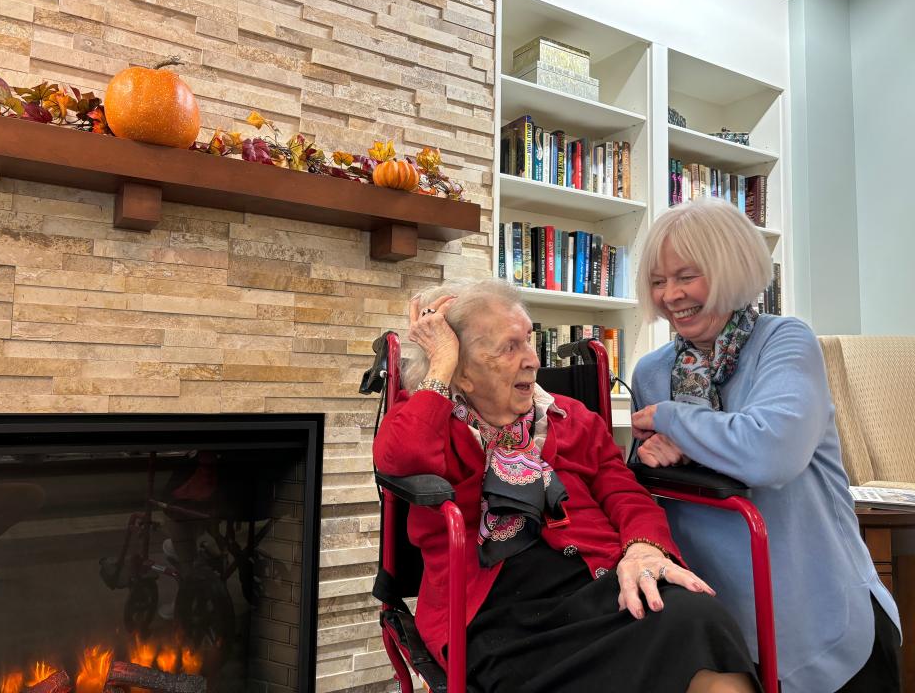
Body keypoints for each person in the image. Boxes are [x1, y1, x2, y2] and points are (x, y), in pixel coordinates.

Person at [374, 278, 761, 693]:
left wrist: (644, 545)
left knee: (697, 618)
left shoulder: (568, 417)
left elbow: (623, 490)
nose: (533, 360)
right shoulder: (439, 424)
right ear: (462, 373)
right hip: (498, 617)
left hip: (599, 584)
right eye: (510, 347)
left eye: (529, 341)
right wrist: (441, 364)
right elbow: (401, 459)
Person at [630, 198, 901, 693]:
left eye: (686, 275)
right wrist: (647, 455)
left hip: (824, 621)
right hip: (730, 628)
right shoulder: (651, 373)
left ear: (730, 269)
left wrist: (674, 420)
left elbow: (770, 452)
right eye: (657, 280)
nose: (671, 295)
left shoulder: (786, 342)